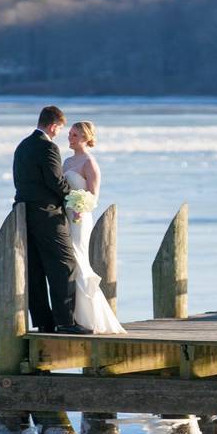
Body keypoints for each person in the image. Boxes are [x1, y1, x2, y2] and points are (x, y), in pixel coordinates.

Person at [12, 106, 90, 335]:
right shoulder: (47, 147)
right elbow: (55, 182)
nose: (59, 134)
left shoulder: (22, 146)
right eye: (60, 129)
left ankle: (44, 322)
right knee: (64, 265)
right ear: (54, 125)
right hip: (47, 215)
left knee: (35, 269)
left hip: (24, 214)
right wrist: (75, 197)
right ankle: (65, 322)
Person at [62, 121, 126, 334]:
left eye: (75, 135)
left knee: (79, 260)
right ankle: (76, 315)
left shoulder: (89, 163)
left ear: (86, 138)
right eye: (70, 134)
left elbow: (93, 197)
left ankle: (90, 317)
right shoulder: (67, 161)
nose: (70, 138)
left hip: (80, 217)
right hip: (66, 216)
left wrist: (79, 207)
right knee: (70, 260)